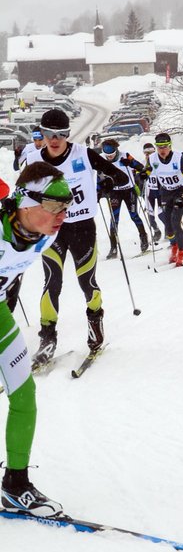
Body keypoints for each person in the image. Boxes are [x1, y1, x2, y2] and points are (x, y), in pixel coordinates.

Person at [26, 109, 127, 368]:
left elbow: (121, 177)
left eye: (61, 134)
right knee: (52, 282)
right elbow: (25, 194)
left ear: (68, 134)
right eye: (49, 133)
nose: (55, 139)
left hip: (82, 227)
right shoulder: (35, 159)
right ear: (42, 133)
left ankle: (95, 332)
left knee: (87, 281)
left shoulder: (84, 154)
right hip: (52, 231)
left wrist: (105, 186)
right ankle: (47, 338)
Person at [0, 162, 72, 518]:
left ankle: (15, 485)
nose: (62, 214)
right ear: (26, 204)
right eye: (54, 206)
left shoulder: (49, 232)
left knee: (24, 394)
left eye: (67, 205)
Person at [147, 132, 183, 267]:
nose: (162, 150)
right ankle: (174, 248)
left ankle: (182, 254)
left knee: (175, 222)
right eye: (159, 147)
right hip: (166, 192)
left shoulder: (178, 158)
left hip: (180, 191)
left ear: (170, 146)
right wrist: (143, 173)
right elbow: (148, 170)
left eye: (165, 146)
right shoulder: (152, 158)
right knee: (167, 226)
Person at [98, 139, 150, 259]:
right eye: (107, 156)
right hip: (114, 192)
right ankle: (113, 247)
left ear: (116, 150)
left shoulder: (124, 155)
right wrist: (100, 189)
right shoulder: (101, 159)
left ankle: (143, 238)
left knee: (134, 215)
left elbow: (140, 167)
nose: (109, 158)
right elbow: (98, 176)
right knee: (114, 219)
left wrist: (130, 163)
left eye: (111, 155)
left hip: (128, 190)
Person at [139, 143, 163, 243]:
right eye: (146, 153)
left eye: (151, 152)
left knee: (162, 214)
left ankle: (169, 231)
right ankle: (156, 231)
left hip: (161, 191)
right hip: (149, 191)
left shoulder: (160, 160)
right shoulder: (143, 163)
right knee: (150, 215)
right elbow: (139, 177)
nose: (148, 155)